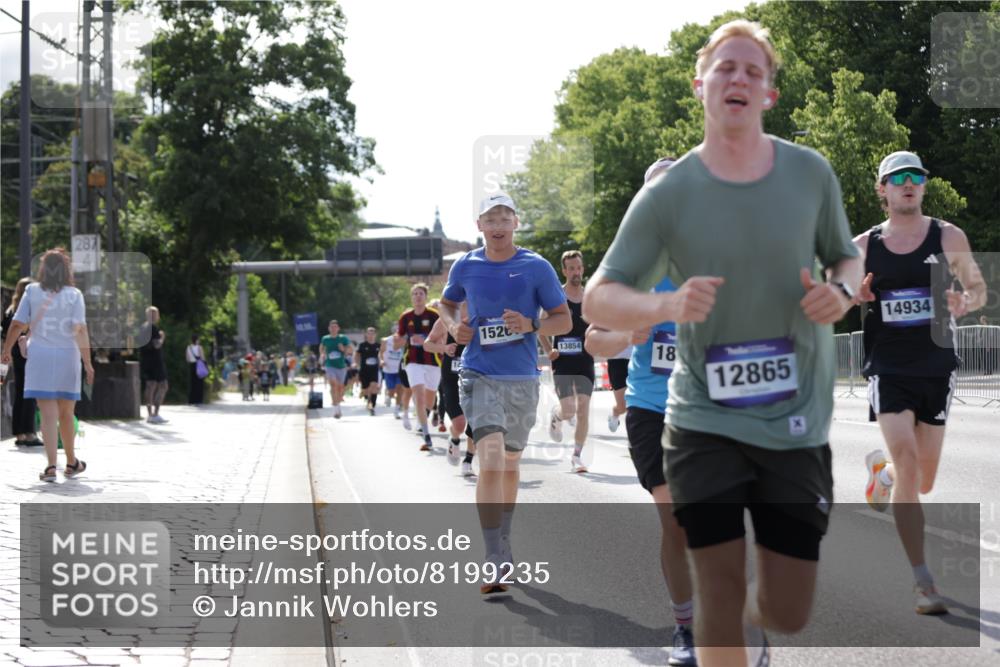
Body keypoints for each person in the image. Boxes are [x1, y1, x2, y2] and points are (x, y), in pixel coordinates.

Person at [582, 20, 862, 667]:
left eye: (753, 71)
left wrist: (833, 297)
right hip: (670, 409)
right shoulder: (648, 240)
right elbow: (596, 325)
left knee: (785, 589)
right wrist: (646, 318)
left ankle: (747, 613)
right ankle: (696, 626)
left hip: (772, 412)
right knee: (687, 529)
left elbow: (833, 271)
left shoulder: (770, 207)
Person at [857, 150, 987, 616]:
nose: (908, 184)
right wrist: (854, 293)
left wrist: (963, 303)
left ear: (923, 186)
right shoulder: (862, 246)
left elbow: (978, 288)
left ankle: (883, 475)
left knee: (922, 480)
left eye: (915, 177)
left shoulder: (946, 235)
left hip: (936, 365)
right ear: (883, 190)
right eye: (898, 178)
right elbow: (839, 293)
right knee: (910, 461)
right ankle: (922, 581)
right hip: (888, 367)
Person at [583, 156, 696, 666]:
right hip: (651, 407)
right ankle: (686, 626)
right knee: (673, 516)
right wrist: (627, 335)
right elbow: (592, 342)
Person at [437, 191, 570, 594]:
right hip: (478, 373)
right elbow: (445, 304)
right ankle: (492, 556)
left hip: (522, 379)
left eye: (504, 218)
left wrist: (531, 325)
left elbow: (562, 321)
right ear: (479, 226)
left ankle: (505, 542)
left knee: (510, 462)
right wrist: (452, 325)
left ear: (516, 222)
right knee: (491, 458)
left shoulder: (536, 267)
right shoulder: (466, 264)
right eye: (489, 219)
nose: (497, 226)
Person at [2, 248, 94, 482]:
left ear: (42, 269)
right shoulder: (75, 294)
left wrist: (6, 351)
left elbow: (17, 324)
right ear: (67, 270)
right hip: (68, 357)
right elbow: (80, 330)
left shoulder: (32, 291)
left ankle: (51, 466)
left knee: (47, 414)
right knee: (66, 413)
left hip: (40, 357)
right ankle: (71, 462)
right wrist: (88, 362)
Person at [541, 250, 595, 473]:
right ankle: (557, 415)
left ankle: (576, 456)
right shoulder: (557, 297)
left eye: (578, 268)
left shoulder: (590, 297)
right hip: (562, 360)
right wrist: (549, 349)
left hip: (585, 359)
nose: (575, 272)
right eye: (571, 268)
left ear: (583, 269)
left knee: (583, 409)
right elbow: (539, 326)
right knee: (569, 410)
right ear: (564, 271)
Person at [424, 301, 476, 470]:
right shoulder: (447, 318)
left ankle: (468, 460)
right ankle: (454, 439)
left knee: (476, 421)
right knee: (460, 424)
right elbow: (427, 344)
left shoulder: (480, 313)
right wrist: (444, 348)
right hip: (451, 377)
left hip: (476, 376)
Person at [395, 283, 441, 451]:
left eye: (420, 293)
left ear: (425, 296)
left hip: (433, 361)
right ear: (411, 297)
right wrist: (405, 339)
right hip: (412, 361)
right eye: (414, 294)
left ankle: (425, 417)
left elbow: (443, 336)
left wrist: (429, 341)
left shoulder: (435, 315)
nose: (417, 296)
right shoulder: (405, 317)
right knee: (419, 396)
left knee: (430, 399)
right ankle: (427, 435)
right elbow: (397, 341)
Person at [1, 277, 41, 446]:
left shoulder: (11, 310)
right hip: (28, 352)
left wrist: (7, 350)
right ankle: (30, 433)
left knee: (20, 392)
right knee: (31, 392)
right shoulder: (29, 310)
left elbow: (5, 332)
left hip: (15, 354)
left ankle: (19, 433)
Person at [139, 306, 169, 423]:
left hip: (146, 361)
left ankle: (149, 414)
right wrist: (162, 337)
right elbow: (157, 345)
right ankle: (155, 414)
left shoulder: (143, 327)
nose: (158, 317)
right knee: (163, 386)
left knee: (150, 386)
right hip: (156, 362)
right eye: (156, 314)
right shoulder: (153, 328)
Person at [320, 320, 352, 418]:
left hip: (341, 366)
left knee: (340, 387)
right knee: (334, 385)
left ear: (338, 329)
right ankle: (336, 410)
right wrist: (322, 354)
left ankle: (338, 405)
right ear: (329, 329)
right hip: (330, 365)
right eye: (331, 327)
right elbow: (321, 347)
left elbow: (350, 350)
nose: (333, 329)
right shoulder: (325, 339)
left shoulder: (343, 338)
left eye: (335, 327)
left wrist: (343, 349)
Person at [355, 327, 382, 416]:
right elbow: (357, 355)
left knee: (374, 387)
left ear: (375, 335)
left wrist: (382, 361)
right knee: (366, 390)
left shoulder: (378, 346)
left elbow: (381, 356)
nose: (371, 335)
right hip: (364, 370)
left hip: (374, 370)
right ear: (366, 335)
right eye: (369, 333)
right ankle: (366, 396)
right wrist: (357, 364)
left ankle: (372, 406)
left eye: (372, 333)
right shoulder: (362, 345)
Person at [380, 330, 406, 419]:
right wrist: (382, 360)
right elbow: (381, 353)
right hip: (388, 369)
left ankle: (396, 410)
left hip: (400, 369)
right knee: (392, 391)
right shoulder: (385, 340)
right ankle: (388, 395)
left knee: (400, 388)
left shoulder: (404, 340)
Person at [185, 334, 206, 405]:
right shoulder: (199, 347)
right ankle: (198, 400)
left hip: (192, 366)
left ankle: (191, 400)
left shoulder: (188, 347)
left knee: (192, 383)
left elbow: (187, 359)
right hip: (199, 365)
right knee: (199, 384)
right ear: (197, 340)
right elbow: (202, 357)